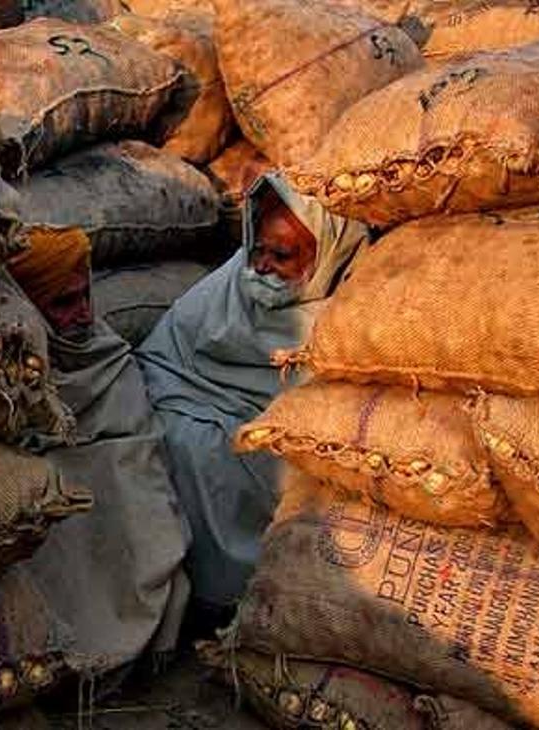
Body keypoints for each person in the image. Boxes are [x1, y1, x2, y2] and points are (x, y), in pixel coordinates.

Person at [134, 172, 372, 630]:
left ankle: (240, 602)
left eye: (282, 255)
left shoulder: (350, 318)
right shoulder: (230, 285)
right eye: (256, 249)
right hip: (193, 417)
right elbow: (162, 359)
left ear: (326, 254)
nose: (260, 266)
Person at [8, 227, 191, 686]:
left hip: (119, 496)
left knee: (144, 508)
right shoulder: (1, 381)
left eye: (86, 296)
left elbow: (142, 451)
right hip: (54, 503)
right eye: (63, 304)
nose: (84, 314)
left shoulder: (109, 357)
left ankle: (135, 643)